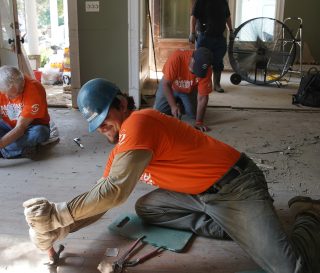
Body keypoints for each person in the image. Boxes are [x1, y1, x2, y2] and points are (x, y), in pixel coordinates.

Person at [23, 78, 320, 272]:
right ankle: (232, 224)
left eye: (104, 118)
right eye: (95, 125)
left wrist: (59, 214)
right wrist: (61, 231)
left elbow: (115, 191)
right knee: (148, 207)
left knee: (290, 268)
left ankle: (307, 213)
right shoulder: (122, 148)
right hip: (199, 195)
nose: (102, 128)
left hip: (237, 186)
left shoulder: (138, 122)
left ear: (122, 104)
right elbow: (103, 198)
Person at [153, 47, 213, 132]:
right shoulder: (177, 57)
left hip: (188, 90)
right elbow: (166, 84)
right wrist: (173, 106)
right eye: (195, 70)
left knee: (193, 115)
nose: (196, 74)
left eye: (199, 72)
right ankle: (176, 103)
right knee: (158, 112)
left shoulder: (207, 71)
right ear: (192, 59)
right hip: (170, 86)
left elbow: (203, 98)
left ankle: (180, 103)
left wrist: (199, 122)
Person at [0, 65, 51, 158]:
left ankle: (7, 152)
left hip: (31, 127)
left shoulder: (35, 89)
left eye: (15, 94)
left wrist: (1, 144)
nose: (9, 98)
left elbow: (20, 128)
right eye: (7, 94)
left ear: (23, 84)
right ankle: (18, 150)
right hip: (8, 125)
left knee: (40, 133)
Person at [189, 0, 234, 93]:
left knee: (218, 62)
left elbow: (227, 16)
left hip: (219, 37)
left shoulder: (223, 2)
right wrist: (192, 33)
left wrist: (231, 30)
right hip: (204, 37)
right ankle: (199, 84)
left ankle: (217, 84)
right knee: (201, 61)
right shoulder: (201, 1)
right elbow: (193, 17)